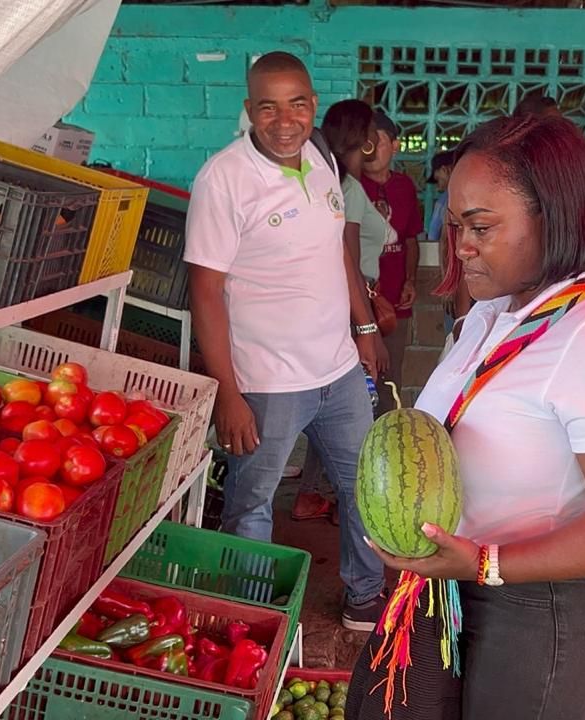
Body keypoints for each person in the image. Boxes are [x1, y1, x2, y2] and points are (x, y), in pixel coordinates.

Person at [346, 114, 585, 720]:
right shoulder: (494, 316)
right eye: (455, 226)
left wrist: (485, 562)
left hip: (556, 620)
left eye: (481, 226)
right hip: (471, 597)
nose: (462, 246)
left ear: (553, 221)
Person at [184, 51, 386, 630]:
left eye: (296, 104)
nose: (283, 119)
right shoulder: (224, 178)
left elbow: (338, 254)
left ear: (312, 106)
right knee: (251, 503)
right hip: (267, 382)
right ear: (249, 111)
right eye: (267, 107)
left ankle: (364, 595)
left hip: (339, 371)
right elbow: (205, 292)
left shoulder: (320, 160)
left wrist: (365, 326)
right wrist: (228, 391)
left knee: (365, 489)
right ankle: (249, 618)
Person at [293, 99, 395, 524]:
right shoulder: (343, 187)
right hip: (350, 313)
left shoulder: (335, 180)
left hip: (340, 312)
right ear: (365, 139)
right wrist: (364, 326)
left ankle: (326, 494)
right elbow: (347, 257)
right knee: (352, 413)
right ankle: (332, 496)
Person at [362, 109, 422, 414]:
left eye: (377, 140)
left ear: (395, 145)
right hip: (358, 306)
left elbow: (411, 239)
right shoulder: (350, 187)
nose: (369, 147)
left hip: (394, 306)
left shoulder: (405, 187)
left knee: (389, 381)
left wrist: (410, 280)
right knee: (355, 384)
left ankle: (384, 451)